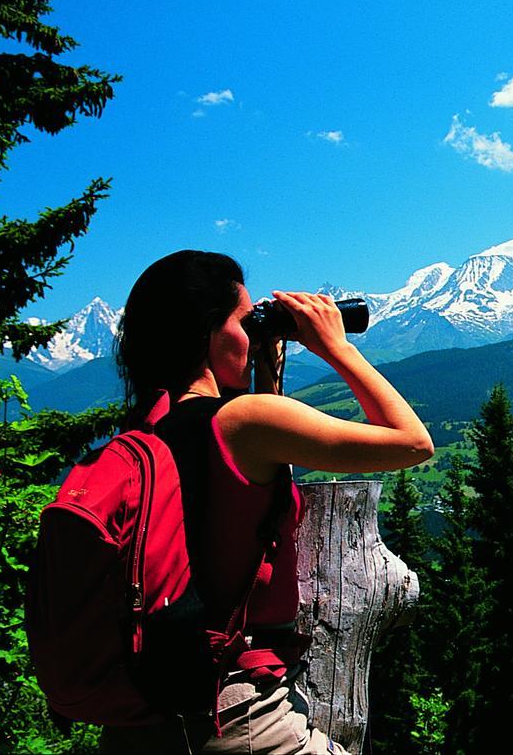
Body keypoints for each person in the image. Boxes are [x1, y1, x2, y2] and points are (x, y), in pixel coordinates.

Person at [101, 250, 433, 754]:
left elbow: (250, 487)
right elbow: (412, 443)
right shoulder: (246, 423)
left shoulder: (147, 430)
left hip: (145, 716)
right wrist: (336, 348)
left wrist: (264, 366)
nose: (252, 332)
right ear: (210, 333)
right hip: (236, 716)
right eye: (244, 322)